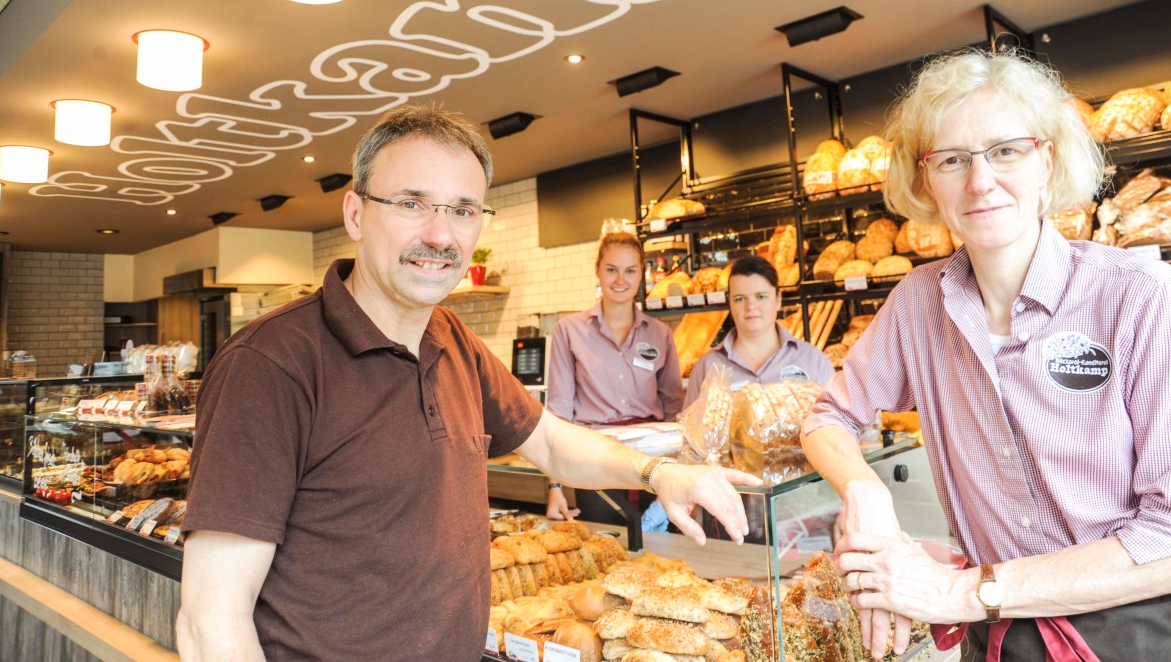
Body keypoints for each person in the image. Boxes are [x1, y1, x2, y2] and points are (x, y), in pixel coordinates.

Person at [175, 104, 760, 662]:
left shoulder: (451, 338)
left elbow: (552, 443)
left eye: (463, 210)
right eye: (412, 203)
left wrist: (660, 473)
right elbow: (210, 620)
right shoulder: (271, 364)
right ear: (356, 214)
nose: (441, 234)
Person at [800, 49, 1171, 661]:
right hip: (1005, 638)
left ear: (1047, 159)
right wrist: (865, 495)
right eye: (952, 159)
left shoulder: (1141, 298)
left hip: (1148, 634)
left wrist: (964, 591)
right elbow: (829, 416)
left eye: (1005, 150)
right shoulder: (918, 304)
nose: (980, 182)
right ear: (925, 179)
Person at [544, 231, 684, 520]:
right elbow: (558, 415)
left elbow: (675, 410)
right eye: (611, 270)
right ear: (598, 270)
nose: (620, 280)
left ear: (641, 274)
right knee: (607, 546)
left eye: (630, 271)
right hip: (592, 459)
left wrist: (682, 472)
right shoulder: (568, 331)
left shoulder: (660, 335)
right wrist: (554, 485)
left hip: (654, 463)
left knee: (663, 552)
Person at [682, 254, 833, 408]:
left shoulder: (813, 361)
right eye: (740, 299)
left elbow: (838, 425)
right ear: (730, 304)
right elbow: (687, 428)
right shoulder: (707, 366)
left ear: (778, 300)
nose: (751, 307)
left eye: (761, 297)